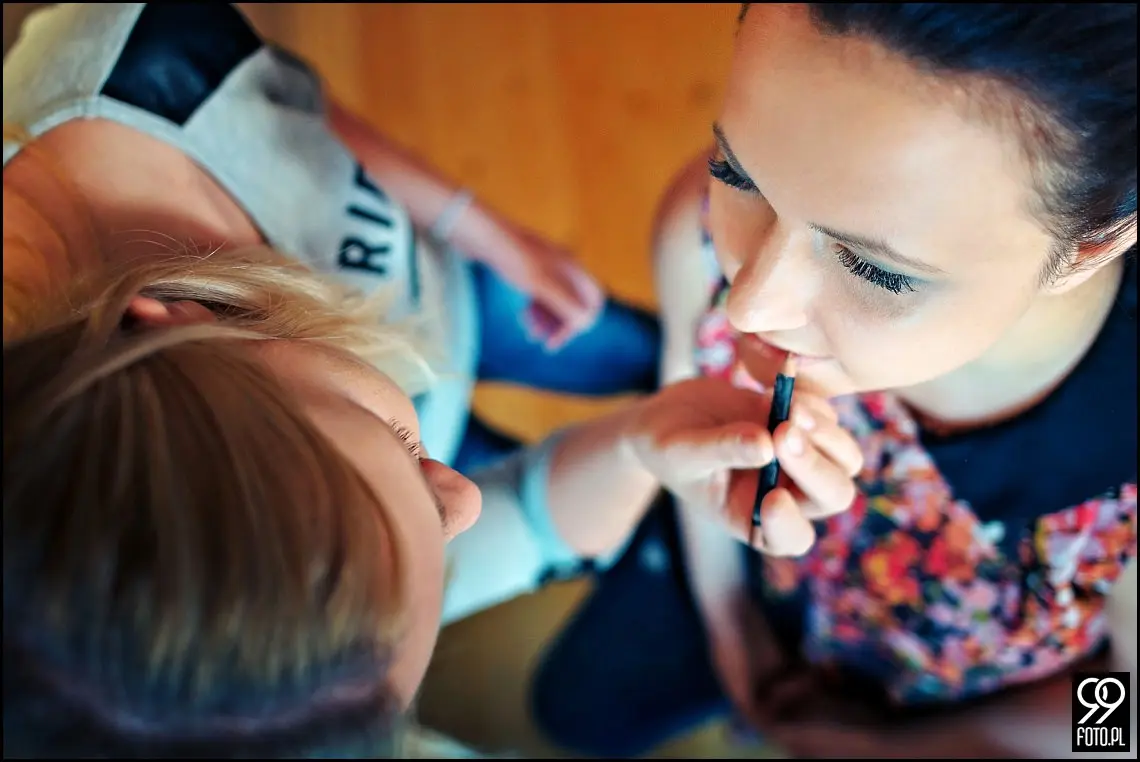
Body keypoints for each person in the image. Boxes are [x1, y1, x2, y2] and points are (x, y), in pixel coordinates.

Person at [3, 3, 826, 757]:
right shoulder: (287, 662)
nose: (465, 497)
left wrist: (476, 226)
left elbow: (296, 113)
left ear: (177, 329)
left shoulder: (125, 54)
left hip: (460, 289)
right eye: (434, 545)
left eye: (402, 453)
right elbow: (532, 524)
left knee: (632, 348)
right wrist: (644, 445)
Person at [531, 3, 1137, 758]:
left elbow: (1119, 716)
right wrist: (732, 631)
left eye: (876, 269)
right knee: (576, 716)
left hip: (964, 709)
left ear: (1094, 244)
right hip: (747, 574)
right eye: (737, 172)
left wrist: (916, 746)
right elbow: (681, 398)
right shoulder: (696, 227)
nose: (748, 302)